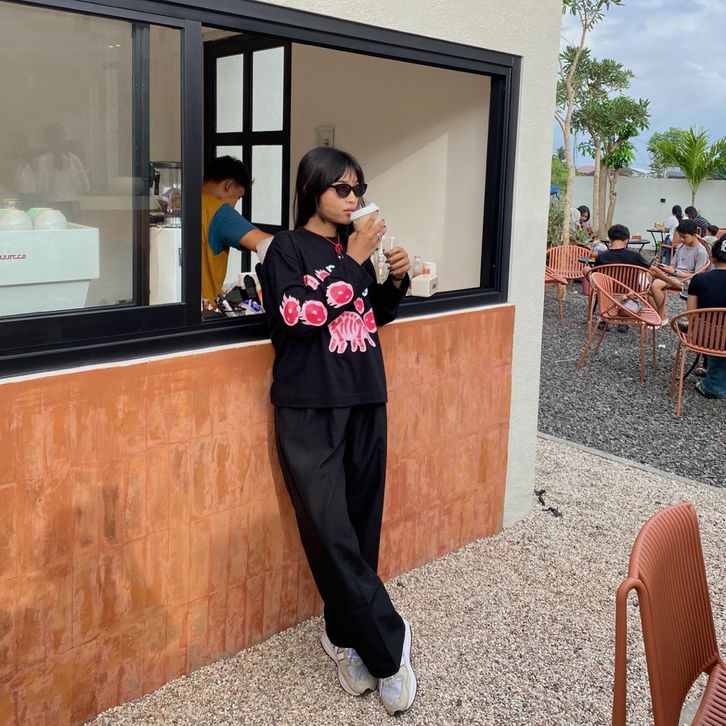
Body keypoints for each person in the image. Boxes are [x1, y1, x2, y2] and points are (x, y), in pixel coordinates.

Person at [261, 146, 416, 716]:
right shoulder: (286, 248)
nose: (354, 199)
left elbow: (368, 315)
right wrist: (353, 259)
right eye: (343, 189)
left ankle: (342, 634)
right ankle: (390, 650)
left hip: (365, 396)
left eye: (359, 189)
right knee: (328, 532)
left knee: (359, 528)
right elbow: (296, 316)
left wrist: (395, 280)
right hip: (308, 406)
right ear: (313, 190)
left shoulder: (354, 249)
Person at [201, 155, 272, 305]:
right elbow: (268, 244)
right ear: (228, 185)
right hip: (202, 309)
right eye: (238, 197)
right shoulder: (219, 212)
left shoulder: (182, 201)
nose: (234, 205)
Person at [686, 235, 726, 398]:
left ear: (712, 258)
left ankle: (713, 387)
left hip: (703, 338)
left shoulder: (699, 279)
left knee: (715, 333)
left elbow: (691, 316)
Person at [649, 219, 710, 321]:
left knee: (655, 285)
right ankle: (659, 315)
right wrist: (667, 269)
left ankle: (661, 317)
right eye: (680, 236)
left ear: (694, 235)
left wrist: (674, 272)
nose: (681, 239)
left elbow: (698, 277)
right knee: (648, 279)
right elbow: (673, 266)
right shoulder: (681, 246)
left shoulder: (701, 252)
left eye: (684, 237)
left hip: (687, 281)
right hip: (674, 276)